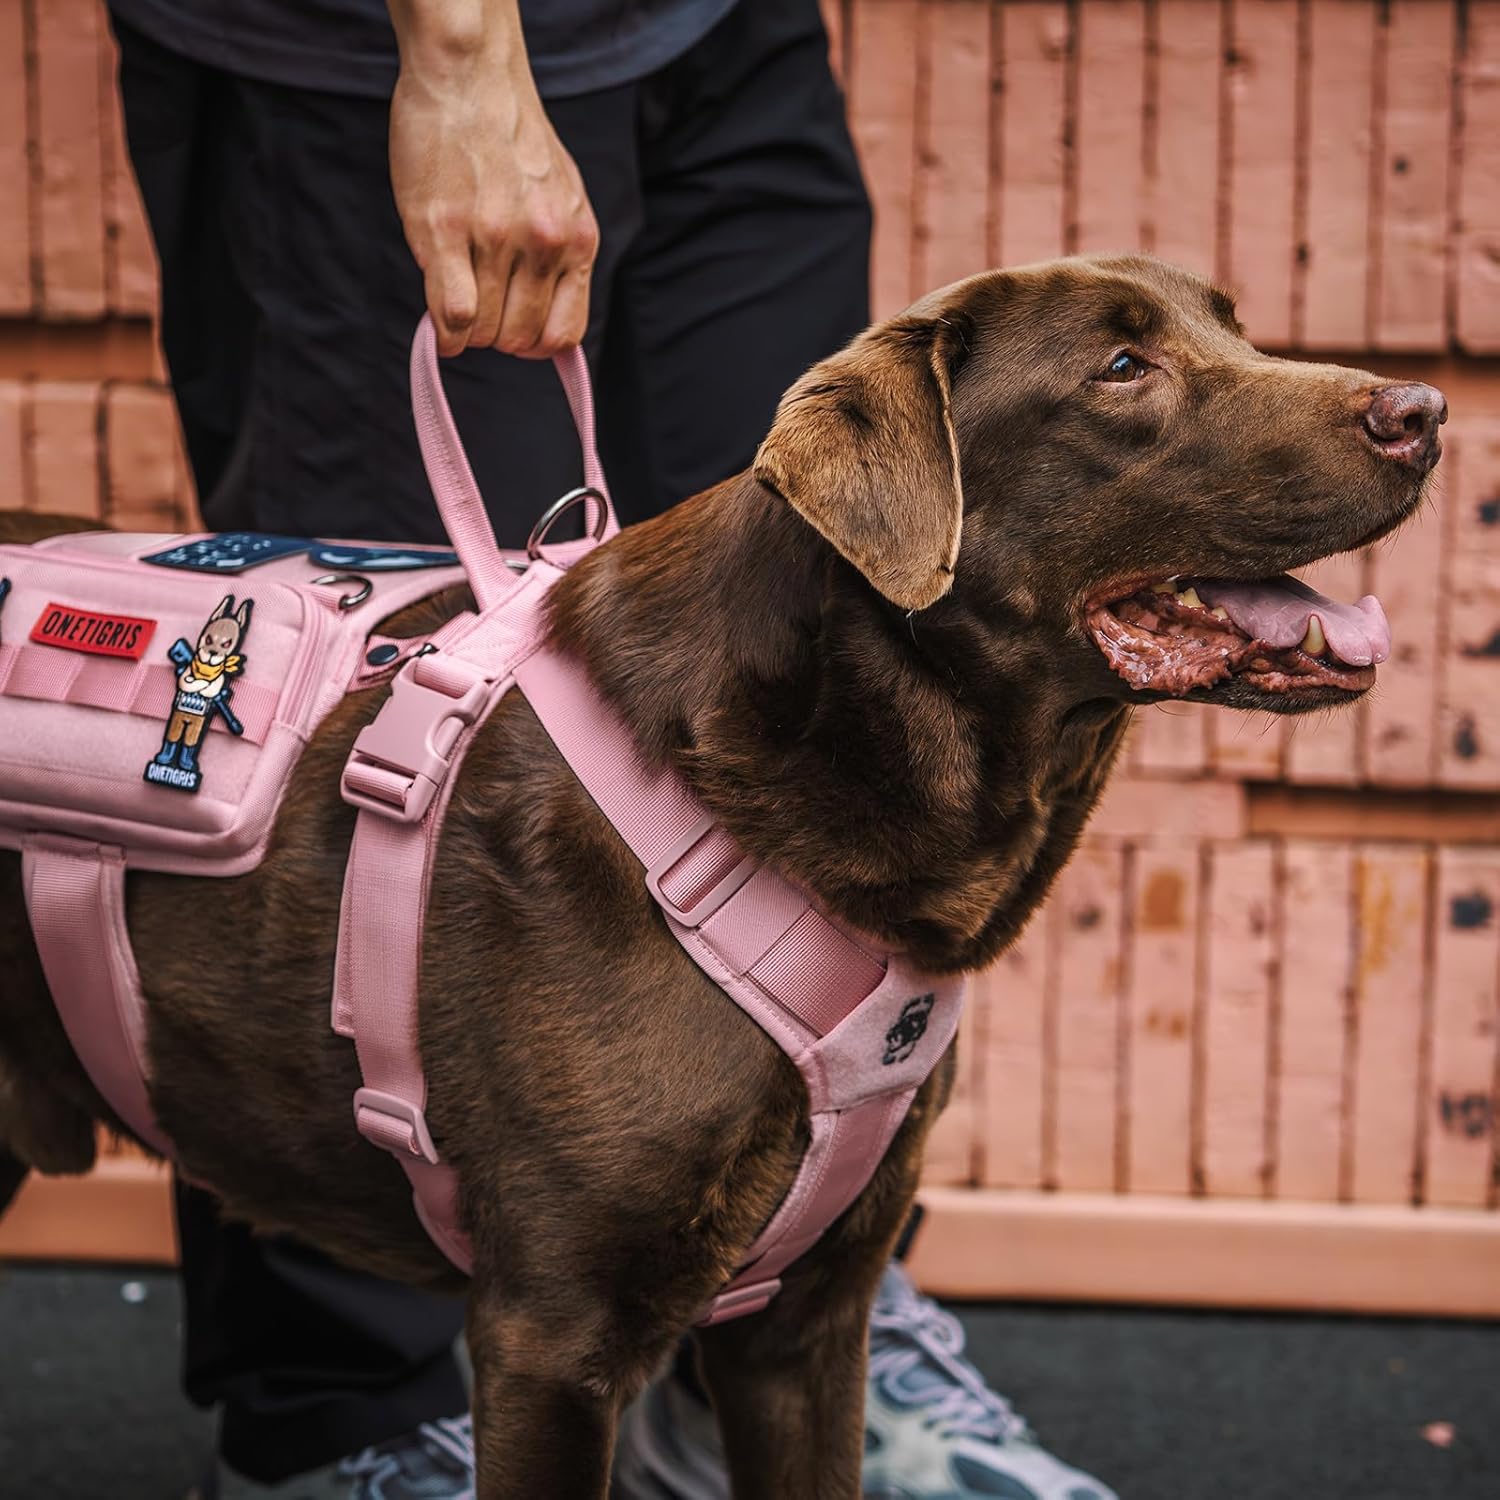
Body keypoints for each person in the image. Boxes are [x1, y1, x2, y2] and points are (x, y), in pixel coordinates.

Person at [104, 1, 1119, 1497]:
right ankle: (360, 1413)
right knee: (410, 773)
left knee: (802, 636)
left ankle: (777, 1326)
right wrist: (453, 53)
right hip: (363, 49)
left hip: (707, 28)